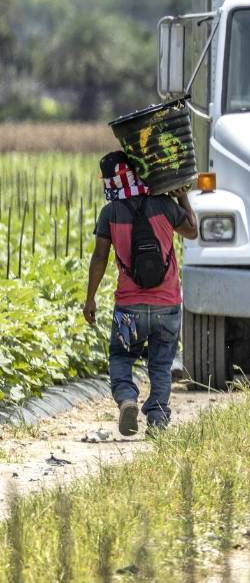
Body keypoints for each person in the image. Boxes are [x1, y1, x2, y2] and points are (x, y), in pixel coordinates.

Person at [83, 152, 198, 437]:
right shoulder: (164, 205)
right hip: (168, 305)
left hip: (129, 308)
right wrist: (182, 197)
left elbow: (99, 258)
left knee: (121, 358)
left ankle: (127, 400)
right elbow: (193, 231)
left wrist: (90, 298)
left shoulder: (110, 213)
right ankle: (158, 418)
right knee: (160, 363)